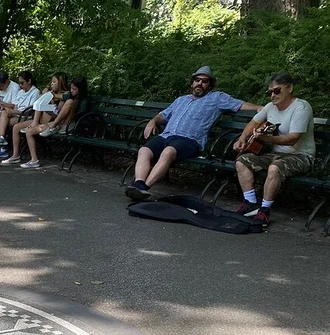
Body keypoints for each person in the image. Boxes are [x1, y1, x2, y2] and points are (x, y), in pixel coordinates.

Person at [125, 65, 261, 201]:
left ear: (210, 85)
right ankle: (138, 184)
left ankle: (144, 189)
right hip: (166, 136)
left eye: (205, 81)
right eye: (197, 80)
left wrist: (260, 108)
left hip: (190, 141)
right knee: (144, 151)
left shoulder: (216, 98)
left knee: (168, 152)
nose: (200, 83)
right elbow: (163, 115)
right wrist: (153, 121)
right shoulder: (181, 100)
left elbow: (240, 104)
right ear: (192, 82)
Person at [231, 72, 315, 226]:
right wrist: (242, 139)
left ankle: (264, 210)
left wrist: (266, 139)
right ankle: (250, 204)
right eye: (270, 92)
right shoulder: (270, 107)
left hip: (301, 156)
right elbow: (252, 124)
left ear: (289, 88)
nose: (273, 95)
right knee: (241, 161)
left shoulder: (301, 107)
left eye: (277, 90)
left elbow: (292, 139)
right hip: (276, 154)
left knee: (274, 168)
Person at [12, 75, 90, 169]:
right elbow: (58, 98)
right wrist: (48, 99)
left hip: (70, 125)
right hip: (58, 123)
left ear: (81, 89)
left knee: (69, 102)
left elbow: (80, 118)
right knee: (29, 131)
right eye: (71, 88)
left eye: (74, 89)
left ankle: (53, 125)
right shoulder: (69, 94)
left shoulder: (84, 101)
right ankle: (34, 160)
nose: (72, 91)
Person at [0, 72, 69, 163]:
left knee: (29, 131)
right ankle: (15, 155)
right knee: (16, 127)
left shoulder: (64, 98)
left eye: (54, 82)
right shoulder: (51, 93)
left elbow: (57, 115)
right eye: (51, 82)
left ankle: (34, 159)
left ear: (61, 83)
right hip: (39, 120)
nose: (51, 84)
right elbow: (39, 106)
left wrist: (50, 102)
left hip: (51, 123)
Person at [0, 71, 40, 155]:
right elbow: (16, 106)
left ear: (29, 81)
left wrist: (13, 111)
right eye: (20, 83)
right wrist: (10, 110)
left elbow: (30, 111)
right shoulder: (21, 92)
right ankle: (1, 141)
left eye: (22, 83)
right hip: (17, 114)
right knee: (3, 113)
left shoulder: (35, 92)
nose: (20, 86)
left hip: (25, 116)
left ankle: (3, 146)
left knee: (1, 122)